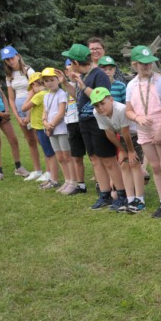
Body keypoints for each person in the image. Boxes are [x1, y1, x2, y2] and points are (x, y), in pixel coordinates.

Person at [60, 43, 117, 209]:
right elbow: (80, 97)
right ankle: (105, 194)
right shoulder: (83, 76)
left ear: (76, 63)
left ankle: (119, 193)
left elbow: (102, 98)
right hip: (84, 121)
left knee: (107, 159)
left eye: (71, 63)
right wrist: (65, 83)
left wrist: (83, 86)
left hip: (98, 121)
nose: (70, 66)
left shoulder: (99, 74)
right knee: (94, 159)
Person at [125, 45, 161, 217]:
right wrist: (137, 118)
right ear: (135, 65)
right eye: (143, 63)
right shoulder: (131, 85)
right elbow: (128, 110)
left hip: (160, 127)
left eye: (149, 63)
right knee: (155, 167)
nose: (147, 66)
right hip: (143, 130)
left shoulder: (160, 81)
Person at [91, 87, 145, 212]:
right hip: (122, 137)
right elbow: (109, 133)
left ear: (111, 99)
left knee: (134, 164)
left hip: (136, 135)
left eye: (102, 103)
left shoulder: (121, 109)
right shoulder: (96, 113)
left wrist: (130, 151)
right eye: (96, 105)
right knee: (124, 165)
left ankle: (140, 200)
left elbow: (126, 132)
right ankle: (129, 199)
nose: (100, 107)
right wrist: (122, 151)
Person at [1, 46, 42, 180]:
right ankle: (37, 170)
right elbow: (11, 98)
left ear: (18, 56)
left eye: (11, 58)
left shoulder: (29, 71)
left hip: (32, 107)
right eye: (7, 60)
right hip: (20, 110)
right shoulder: (9, 76)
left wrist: (29, 114)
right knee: (30, 141)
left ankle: (50, 170)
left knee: (40, 140)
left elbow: (36, 91)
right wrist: (17, 117)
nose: (10, 61)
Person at [21, 72, 60, 189]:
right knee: (49, 152)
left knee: (49, 153)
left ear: (34, 84)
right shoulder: (47, 93)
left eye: (31, 88)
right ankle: (51, 176)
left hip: (41, 127)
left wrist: (30, 95)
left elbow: (24, 108)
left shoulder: (39, 95)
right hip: (43, 126)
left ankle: (52, 177)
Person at [41, 67, 77, 193]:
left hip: (61, 129)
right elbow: (45, 112)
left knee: (67, 156)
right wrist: (45, 123)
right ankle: (67, 180)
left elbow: (61, 113)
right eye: (46, 81)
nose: (49, 83)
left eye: (52, 80)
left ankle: (73, 181)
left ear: (58, 80)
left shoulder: (62, 94)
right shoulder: (46, 96)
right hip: (51, 130)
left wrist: (50, 125)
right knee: (60, 157)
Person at [61, 60, 88, 195]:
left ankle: (99, 183)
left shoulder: (83, 85)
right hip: (71, 123)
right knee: (76, 156)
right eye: (69, 70)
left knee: (94, 156)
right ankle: (80, 185)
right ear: (66, 72)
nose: (72, 73)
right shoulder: (65, 88)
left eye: (75, 70)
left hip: (84, 121)